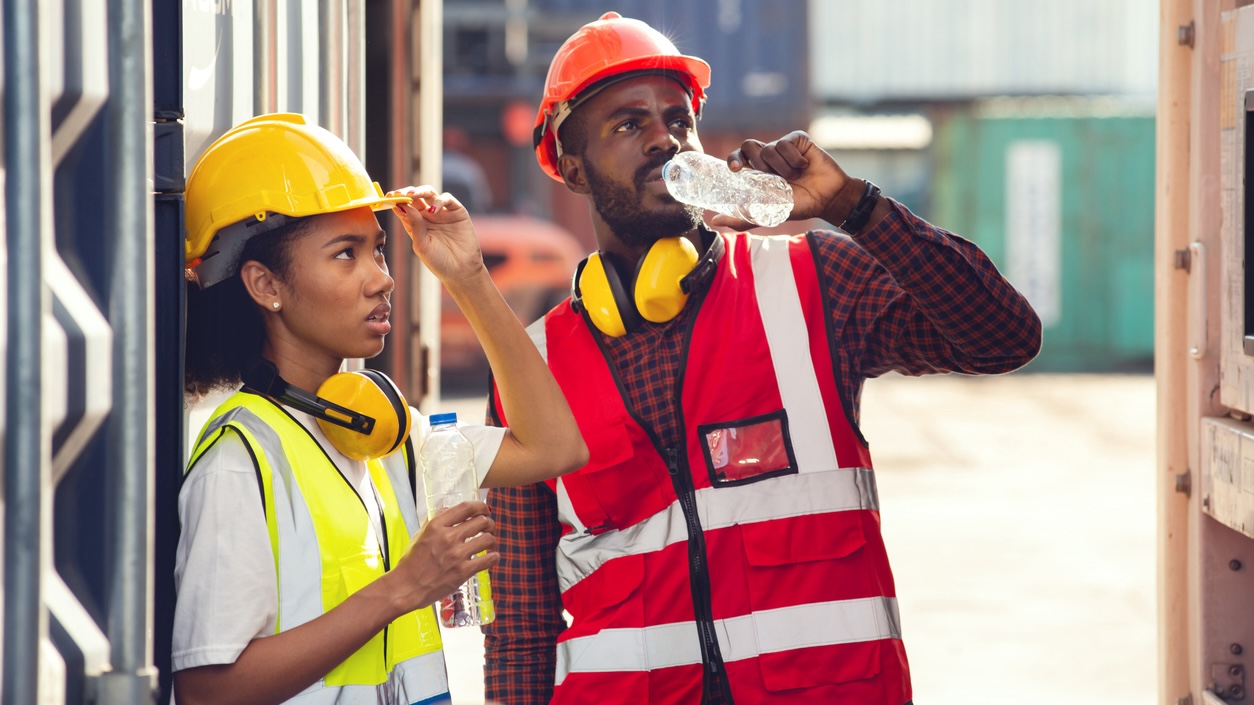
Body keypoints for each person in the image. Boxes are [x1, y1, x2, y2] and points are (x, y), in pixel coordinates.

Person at [482, 12, 1042, 705]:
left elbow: (1002, 335)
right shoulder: (529, 369)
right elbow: (521, 623)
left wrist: (853, 206)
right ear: (571, 165)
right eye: (628, 124)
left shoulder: (814, 284)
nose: (664, 138)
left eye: (677, 120)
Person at [172, 113, 588, 705]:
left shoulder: (383, 432)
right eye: (346, 254)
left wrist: (468, 277)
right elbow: (208, 691)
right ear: (266, 285)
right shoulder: (242, 459)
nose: (381, 279)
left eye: (379, 251)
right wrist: (406, 588)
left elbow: (555, 448)